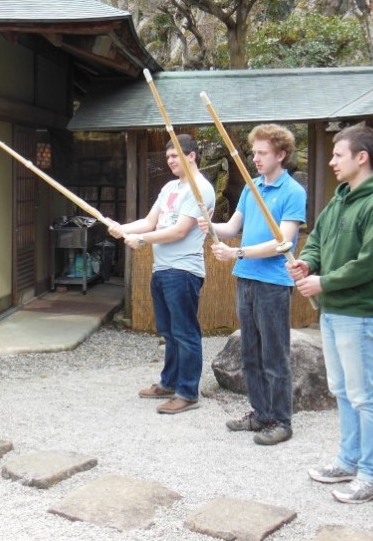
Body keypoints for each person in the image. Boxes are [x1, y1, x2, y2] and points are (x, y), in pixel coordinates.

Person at [286, 124, 373, 504]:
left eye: (338, 154)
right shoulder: (340, 200)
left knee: (365, 394)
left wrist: (322, 282)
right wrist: (306, 263)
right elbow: (316, 238)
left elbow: (369, 264)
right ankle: (349, 460)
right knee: (344, 391)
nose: (332, 161)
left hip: (360, 312)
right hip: (334, 311)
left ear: (361, 157)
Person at [198, 124, 306, 446]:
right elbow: (232, 227)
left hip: (273, 281)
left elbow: (282, 242)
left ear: (281, 155)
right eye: (254, 153)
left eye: (262, 153)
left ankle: (281, 421)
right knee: (250, 352)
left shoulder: (293, 192)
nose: (255, 159)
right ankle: (259, 413)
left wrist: (237, 252)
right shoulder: (251, 187)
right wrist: (209, 225)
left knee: (275, 354)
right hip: (246, 278)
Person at [106, 134, 215, 414]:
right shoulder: (169, 188)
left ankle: (188, 392)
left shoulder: (200, 189)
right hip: (163, 268)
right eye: (168, 157)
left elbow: (180, 230)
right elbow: (150, 221)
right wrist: (123, 227)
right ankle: (169, 382)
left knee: (185, 332)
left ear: (191, 156)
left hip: (183, 269)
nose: (170, 161)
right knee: (168, 331)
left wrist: (144, 241)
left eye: (175, 156)